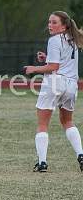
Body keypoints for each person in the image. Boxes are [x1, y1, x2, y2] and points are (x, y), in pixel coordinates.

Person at [24, 11, 83, 172]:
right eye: (49, 22)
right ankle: (81, 155)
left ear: (64, 26)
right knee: (67, 122)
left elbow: (54, 68)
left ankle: (42, 162)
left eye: (54, 22)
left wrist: (34, 68)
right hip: (71, 85)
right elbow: (60, 62)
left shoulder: (54, 40)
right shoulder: (73, 40)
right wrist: (47, 58)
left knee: (42, 124)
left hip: (55, 82)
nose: (50, 25)